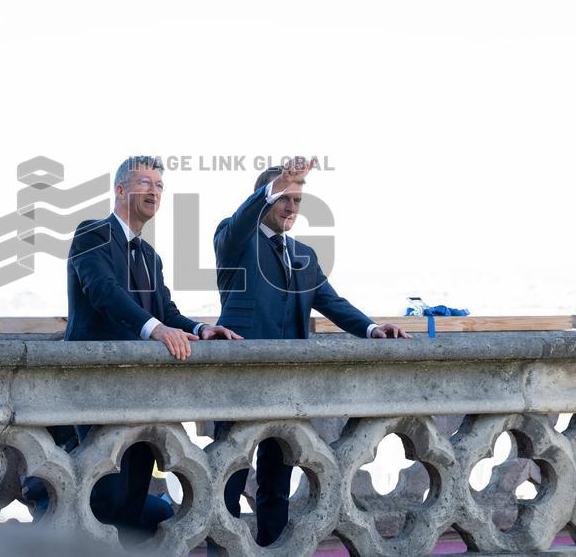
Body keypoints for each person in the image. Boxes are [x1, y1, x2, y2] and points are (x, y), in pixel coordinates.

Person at [211, 157, 410, 548]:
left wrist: (372, 328)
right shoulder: (234, 240)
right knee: (229, 478)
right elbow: (239, 225)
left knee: (276, 480)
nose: (290, 208)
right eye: (283, 198)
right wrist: (273, 186)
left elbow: (332, 303)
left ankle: (273, 548)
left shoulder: (305, 255)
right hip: (240, 380)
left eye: (297, 201)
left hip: (289, 385)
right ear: (262, 198)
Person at [64, 155, 240, 539]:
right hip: (94, 391)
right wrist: (156, 330)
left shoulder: (151, 257)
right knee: (103, 496)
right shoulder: (90, 234)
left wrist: (200, 328)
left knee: (133, 494)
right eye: (145, 182)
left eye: (160, 185)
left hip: (144, 393)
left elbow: (167, 310)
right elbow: (103, 293)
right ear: (121, 189)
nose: (154, 192)